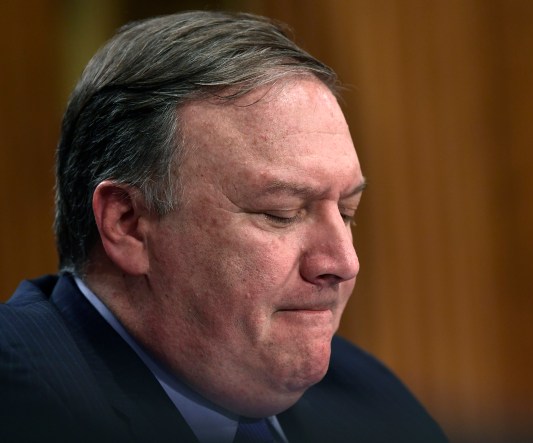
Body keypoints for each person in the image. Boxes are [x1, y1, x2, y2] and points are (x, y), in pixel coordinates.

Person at [0, 10, 448, 443]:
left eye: (347, 212)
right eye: (281, 213)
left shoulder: (371, 401)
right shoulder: (20, 400)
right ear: (129, 224)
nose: (342, 263)